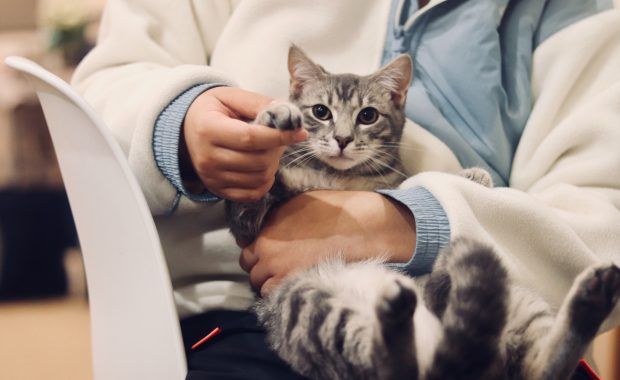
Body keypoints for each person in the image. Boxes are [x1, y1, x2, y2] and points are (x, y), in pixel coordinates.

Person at [73, 0, 620, 378]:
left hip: (464, 300)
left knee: (495, 310)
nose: (337, 136)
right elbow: (102, 87)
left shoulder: (584, 15)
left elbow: (604, 214)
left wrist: (409, 222)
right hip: (242, 307)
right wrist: (183, 121)